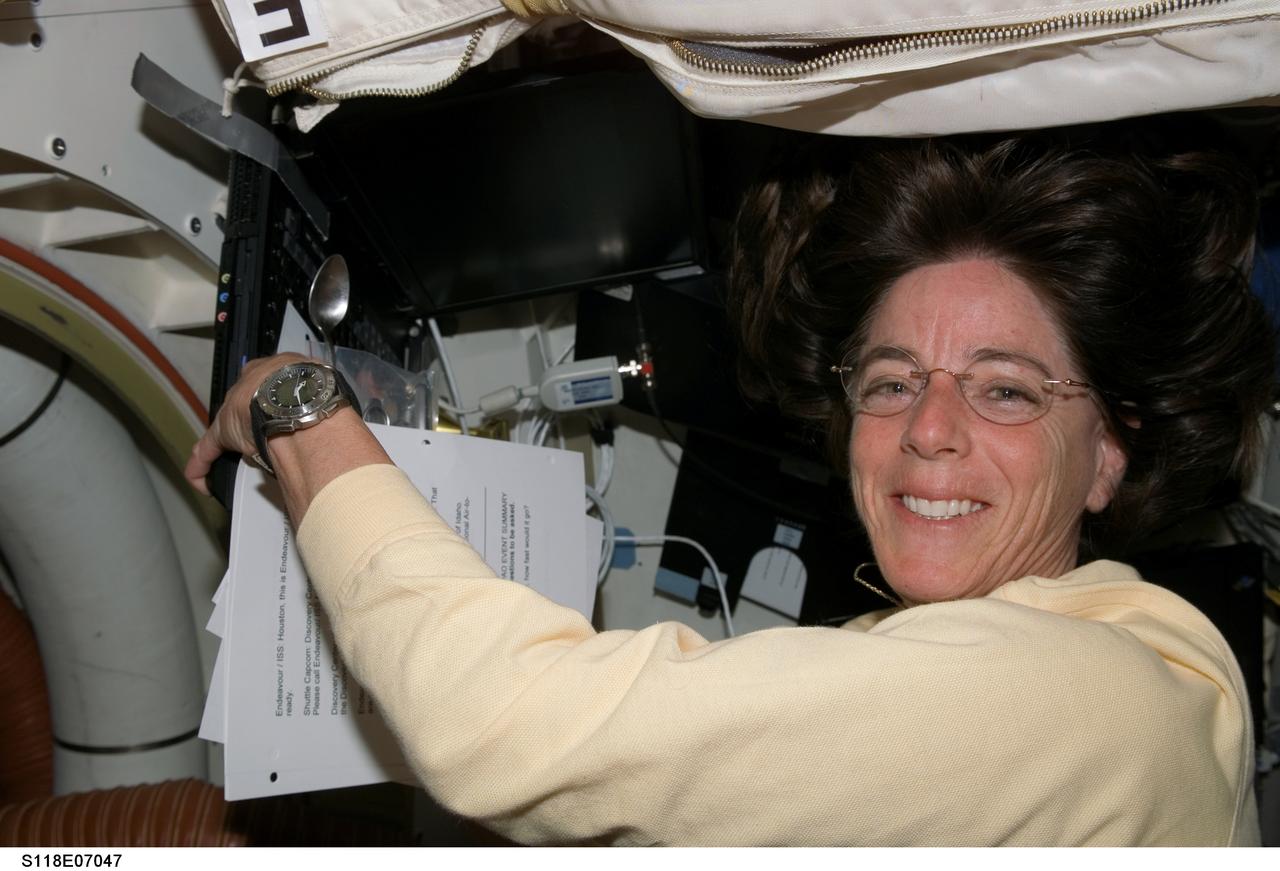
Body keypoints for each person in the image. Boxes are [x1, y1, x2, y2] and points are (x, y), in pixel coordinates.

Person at [186, 130, 1275, 846]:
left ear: (1108, 454)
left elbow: (502, 722)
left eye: (1004, 391)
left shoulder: (1084, 695)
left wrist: (305, 413)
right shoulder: (1114, 661)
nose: (927, 431)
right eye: (890, 381)